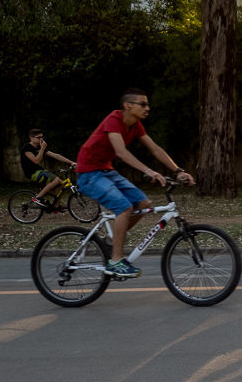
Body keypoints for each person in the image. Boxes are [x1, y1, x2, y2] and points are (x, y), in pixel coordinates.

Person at [75, 89, 195, 279]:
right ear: (128, 105)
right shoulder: (113, 120)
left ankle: (112, 240)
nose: (148, 108)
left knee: (143, 203)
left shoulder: (136, 125)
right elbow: (121, 152)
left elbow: (155, 149)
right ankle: (115, 262)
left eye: (147, 104)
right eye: (143, 104)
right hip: (89, 173)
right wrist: (148, 170)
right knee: (124, 207)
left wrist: (178, 171)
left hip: (106, 170)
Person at [20, 128, 76, 208]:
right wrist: (42, 149)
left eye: (42, 137)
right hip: (32, 173)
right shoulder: (26, 148)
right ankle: (38, 198)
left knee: (61, 183)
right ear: (31, 138)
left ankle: (56, 205)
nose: (41, 139)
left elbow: (55, 155)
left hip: (40, 171)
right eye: (38, 137)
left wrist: (71, 162)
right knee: (56, 180)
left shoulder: (39, 147)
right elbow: (36, 161)